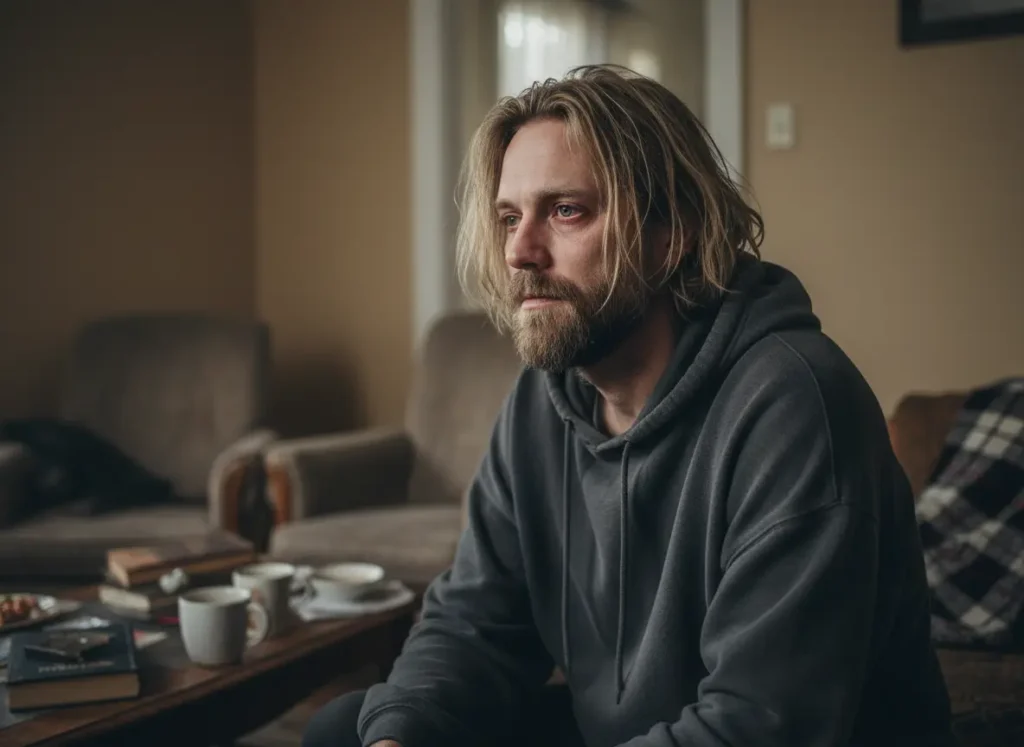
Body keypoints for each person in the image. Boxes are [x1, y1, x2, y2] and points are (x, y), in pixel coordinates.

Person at [303, 65, 954, 747]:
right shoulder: (540, 400)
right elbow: (474, 622)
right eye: (508, 217)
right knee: (352, 727)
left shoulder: (796, 403)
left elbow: (760, 724)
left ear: (671, 233)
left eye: (566, 211)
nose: (521, 251)